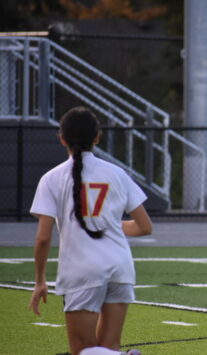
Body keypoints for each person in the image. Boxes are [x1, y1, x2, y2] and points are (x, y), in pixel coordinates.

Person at [28, 107, 153, 355]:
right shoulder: (117, 173)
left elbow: (43, 238)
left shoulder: (52, 178)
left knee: (82, 350)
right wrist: (107, 224)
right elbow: (144, 226)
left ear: (62, 138)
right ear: (97, 137)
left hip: (82, 270)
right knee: (109, 347)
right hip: (120, 266)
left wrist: (40, 281)